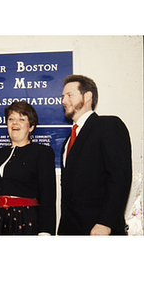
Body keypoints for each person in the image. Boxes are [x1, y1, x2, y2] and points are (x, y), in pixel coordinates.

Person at [58, 75, 132, 235]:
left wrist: (106, 222)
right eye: (63, 96)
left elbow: (120, 178)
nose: (64, 101)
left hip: (99, 229)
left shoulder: (108, 125)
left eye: (70, 95)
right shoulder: (68, 140)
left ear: (88, 96)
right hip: (70, 230)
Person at [0, 101, 56, 235]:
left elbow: (48, 195)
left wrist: (45, 231)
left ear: (31, 127)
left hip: (25, 219)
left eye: (21, 119)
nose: (15, 123)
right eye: (11, 119)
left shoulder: (42, 152)